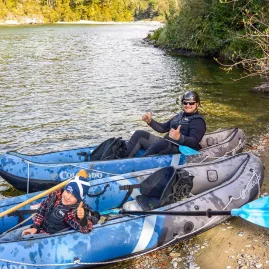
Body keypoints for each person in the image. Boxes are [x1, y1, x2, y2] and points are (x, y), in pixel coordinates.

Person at [0, 169, 99, 242]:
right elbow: (42, 209)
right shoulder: (55, 195)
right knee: (13, 235)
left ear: (78, 199)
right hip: (40, 228)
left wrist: (82, 219)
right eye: (68, 191)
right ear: (64, 189)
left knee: (24, 240)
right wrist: (35, 226)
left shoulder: (72, 212)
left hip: (48, 237)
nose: (68, 197)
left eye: (73, 196)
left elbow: (85, 229)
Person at [126, 90, 206, 157]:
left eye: (191, 103)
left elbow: (194, 141)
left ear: (197, 104)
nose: (188, 105)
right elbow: (163, 128)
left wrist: (179, 137)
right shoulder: (179, 116)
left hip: (180, 149)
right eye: (185, 103)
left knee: (163, 143)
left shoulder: (198, 121)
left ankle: (138, 164)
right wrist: (150, 121)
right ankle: (120, 160)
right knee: (139, 134)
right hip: (166, 144)